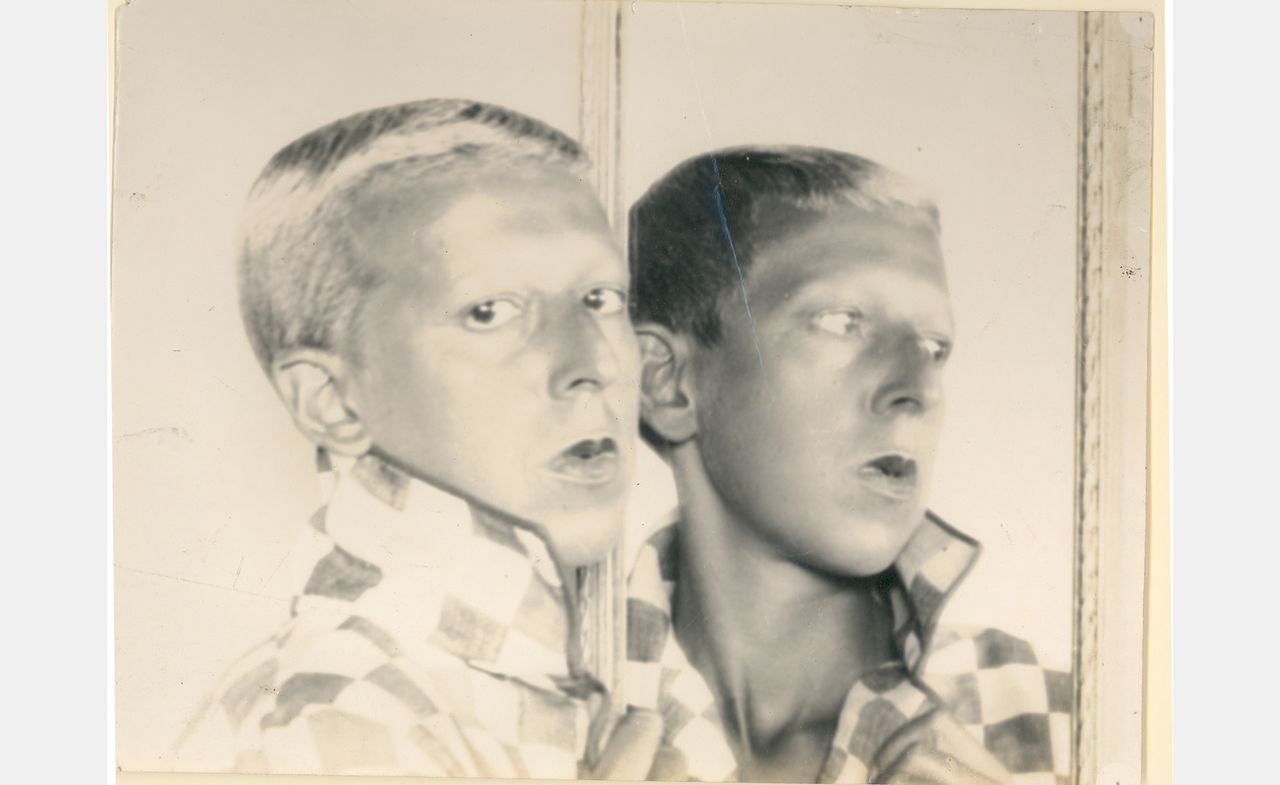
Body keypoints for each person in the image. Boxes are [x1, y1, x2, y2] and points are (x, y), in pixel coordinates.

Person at [178, 98, 661, 778]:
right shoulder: (345, 720)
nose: (597, 363)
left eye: (602, 298)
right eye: (489, 312)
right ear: (331, 400)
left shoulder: (553, 670)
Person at [623, 147, 1070, 784]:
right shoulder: (507, 723)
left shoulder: (1062, 719)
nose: (917, 388)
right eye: (842, 322)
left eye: (935, 347)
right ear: (666, 382)